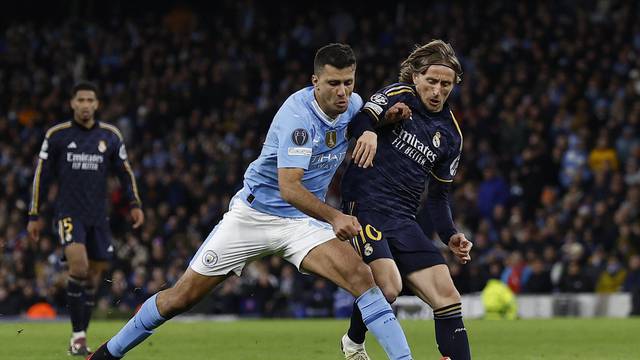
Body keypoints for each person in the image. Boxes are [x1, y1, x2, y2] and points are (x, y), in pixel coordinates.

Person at [89, 43, 414, 360]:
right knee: (180, 298)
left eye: (348, 82)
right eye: (333, 83)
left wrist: (381, 123)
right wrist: (335, 217)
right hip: (254, 217)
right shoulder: (298, 119)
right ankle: (108, 353)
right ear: (315, 81)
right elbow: (290, 188)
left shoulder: (353, 104)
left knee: (362, 278)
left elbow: (361, 118)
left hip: (302, 223)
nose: (342, 92)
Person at [339, 40, 473, 360]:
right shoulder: (400, 95)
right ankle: (354, 342)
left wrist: (450, 235)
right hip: (365, 205)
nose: (437, 90)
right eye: (431, 81)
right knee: (389, 287)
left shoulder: (451, 135)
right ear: (416, 77)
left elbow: (439, 197)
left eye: (446, 84)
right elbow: (360, 119)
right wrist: (369, 130)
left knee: (448, 296)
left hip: (403, 219)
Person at [26, 81, 144, 356]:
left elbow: (124, 173)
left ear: (97, 104)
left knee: (93, 279)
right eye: (81, 100)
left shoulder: (110, 136)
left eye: (91, 99)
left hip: (99, 218)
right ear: (72, 103)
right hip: (69, 214)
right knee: (78, 268)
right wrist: (34, 213)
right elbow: (41, 176)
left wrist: (135, 203)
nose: (86, 105)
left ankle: (80, 335)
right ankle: (78, 336)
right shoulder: (57, 136)